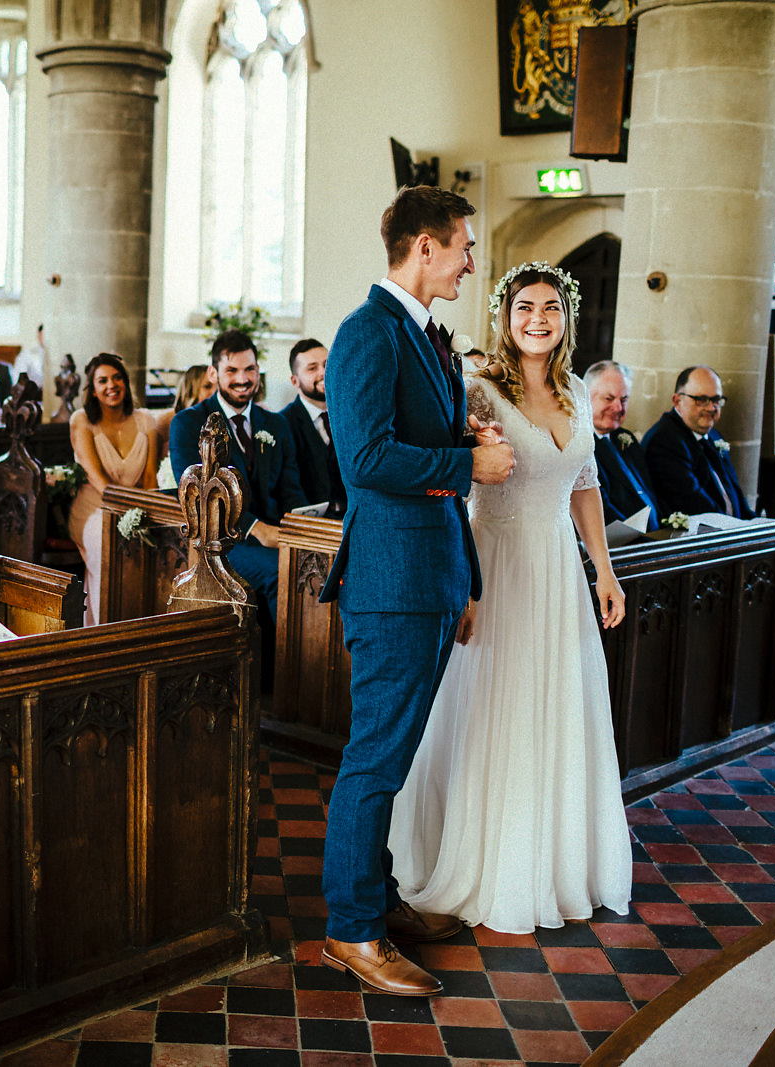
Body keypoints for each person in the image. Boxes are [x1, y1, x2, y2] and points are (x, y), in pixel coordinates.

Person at [388, 261, 632, 935]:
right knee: (494, 705)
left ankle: (552, 860)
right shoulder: (479, 389)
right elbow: (451, 485)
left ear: (565, 318)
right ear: (505, 314)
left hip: (557, 568)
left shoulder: (578, 391)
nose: (538, 319)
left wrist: (602, 570)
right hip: (492, 562)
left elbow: (584, 485)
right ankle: (484, 859)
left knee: (556, 705)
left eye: (550, 308)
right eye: (525, 307)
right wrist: (463, 582)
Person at [317, 185, 515, 996]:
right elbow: (364, 462)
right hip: (390, 585)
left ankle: (378, 898)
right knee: (373, 761)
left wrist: (463, 578)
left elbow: (419, 449)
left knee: (392, 761)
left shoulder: (429, 336)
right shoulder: (367, 332)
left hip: (430, 580)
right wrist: (468, 463)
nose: (472, 261)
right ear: (424, 247)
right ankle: (352, 931)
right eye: (464, 246)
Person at [168, 329, 307, 638]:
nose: (243, 379)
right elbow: (196, 495)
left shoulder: (276, 424)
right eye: (232, 370)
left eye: (250, 369)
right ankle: (282, 670)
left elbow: (290, 488)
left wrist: (302, 525)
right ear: (213, 373)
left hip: (275, 534)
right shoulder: (189, 423)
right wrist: (257, 528)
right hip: (222, 542)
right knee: (282, 570)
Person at [68, 353, 159, 626]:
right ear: (93, 389)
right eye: (103, 380)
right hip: (94, 508)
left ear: (126, 382)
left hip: (137, 508)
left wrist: (150, 512)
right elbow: (97, 480)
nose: (112, 385)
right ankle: (102, 631)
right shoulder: (82, 420)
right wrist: (131, 510)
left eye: (117, 377)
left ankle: (138, 628)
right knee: (104, 544)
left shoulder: (146, 421)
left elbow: (151, 478)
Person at [642, 365, 756, 517]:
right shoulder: (664, 441)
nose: (711, 408)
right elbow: (693, 504)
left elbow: (733, 491)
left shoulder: (714, 436)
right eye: (701, 400)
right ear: (677, 401)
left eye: (716, 399)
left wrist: (753, 523)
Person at [584, 361, 660, 528]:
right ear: (586, 396)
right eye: (609, 399)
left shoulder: (625, 438)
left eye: (624, 399)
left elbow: (648, 490)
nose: (618, 408)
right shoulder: (580, 445)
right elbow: (599, 508)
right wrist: (634, 534)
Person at [280, 337, 344, 513]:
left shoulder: (348, 414)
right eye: (312, 368)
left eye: (326, 364)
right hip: (311, 524)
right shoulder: (283, 423)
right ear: (295, 381)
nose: (323, 372)